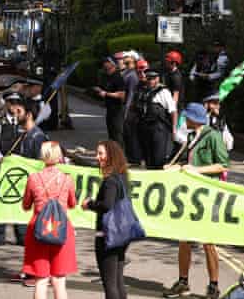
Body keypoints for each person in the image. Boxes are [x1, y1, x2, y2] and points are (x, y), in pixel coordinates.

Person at [163, 103, 229, 299]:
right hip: (190, 196)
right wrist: (175, 168)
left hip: (207, 197)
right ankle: (183, 282)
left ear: (195, 119)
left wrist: (196, 171)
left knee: (208, 242)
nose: (185, 120)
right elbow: (188, 164)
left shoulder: (213, 136)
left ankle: (213, 287)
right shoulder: (192, 137)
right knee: (184, 239)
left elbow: (223, 165)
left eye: (187, 118)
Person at [22, 141, 77, 299]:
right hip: (61, 229)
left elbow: (26, 205)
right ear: (59, 156)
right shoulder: (67, 179)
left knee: (41, 280)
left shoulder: (33, 178)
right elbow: (72, 204)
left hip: (39, 229)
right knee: (59, 281)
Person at [82, 140, 131, 299]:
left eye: (101, 153)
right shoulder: (122, 177)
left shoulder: (110, 181)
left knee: (110, 284)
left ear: (111, 156)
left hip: (107, 235)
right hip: (122, 234)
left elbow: (107, 205)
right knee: (118, 281)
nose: (97, 157)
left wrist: (90, 204)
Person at [0, 92, 26, 247]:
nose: (15, 106)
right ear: (7, 104)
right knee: (0, 200)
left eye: (18, 102)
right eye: (12, 102)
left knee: (21, 200)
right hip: (3, 167)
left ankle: (21, 235)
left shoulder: (24, 123)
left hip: (20, 168)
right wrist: (0, 158)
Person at [136, 70, 176, 169]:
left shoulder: (163, 91)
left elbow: (173, 111)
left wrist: (174, 129)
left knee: (158, 157)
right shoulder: (144, 91)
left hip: (159, 127)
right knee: (148, 156)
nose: (151, 81)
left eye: (153, 78)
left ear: (158, 79)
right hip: (145, 126)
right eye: (149, 78)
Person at [96, 57, 126, 148]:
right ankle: (113, 154)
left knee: (117, 134)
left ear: (112, 64)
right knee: (111, 134)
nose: (105, 64)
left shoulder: (118, 77)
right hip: (109, 109)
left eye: (107, 62)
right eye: (104, 62)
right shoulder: (106, 76)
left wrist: (106, 94)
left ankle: (119, 155)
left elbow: (122, 94)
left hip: (117, 110)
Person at [121, 54, 141, 162]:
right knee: (126, 134)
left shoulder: (132, 75)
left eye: (127, 61)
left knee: (130, 134)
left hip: (130, 108)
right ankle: (130, 156)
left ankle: (133, 158)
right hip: (125, 106)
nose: (125, 62)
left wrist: (127, 110)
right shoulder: (127, 73)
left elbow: (131, 94)